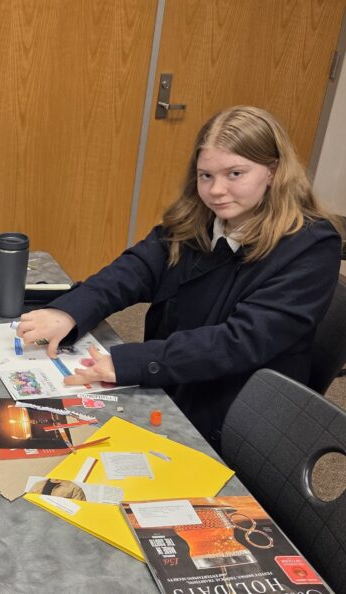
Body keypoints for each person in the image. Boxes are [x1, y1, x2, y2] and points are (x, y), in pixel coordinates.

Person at [17, 106, 342, 450]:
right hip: (173, 382)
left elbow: (239, 341)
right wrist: (69, 311)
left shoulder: (311, 246)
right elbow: (135, 270)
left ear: (272, 172)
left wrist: (131, 362)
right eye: (206, 176)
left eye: (234, 173)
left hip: (234, 410)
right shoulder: (196, 220)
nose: (217, 190)